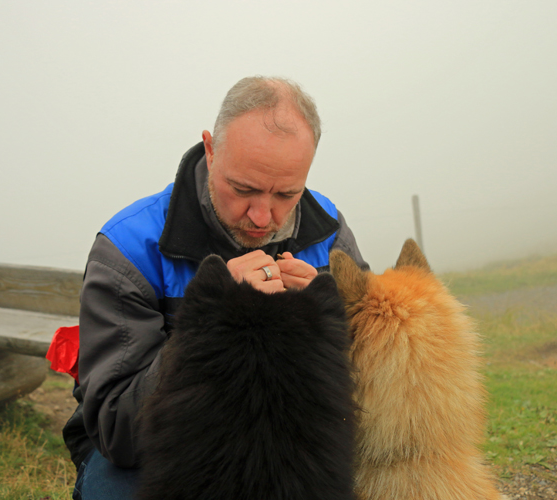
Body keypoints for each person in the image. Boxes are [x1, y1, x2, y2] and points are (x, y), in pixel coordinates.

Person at [64, 76, 368, 499]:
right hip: (159, 451)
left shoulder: (328, 231)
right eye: (242, 189)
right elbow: (116, 430)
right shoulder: (130, 247)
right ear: (210, 149)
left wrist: (329, 312)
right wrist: (207, 329)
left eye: (286, 193)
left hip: (294, 442)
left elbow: (375, 375)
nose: (263, 217)